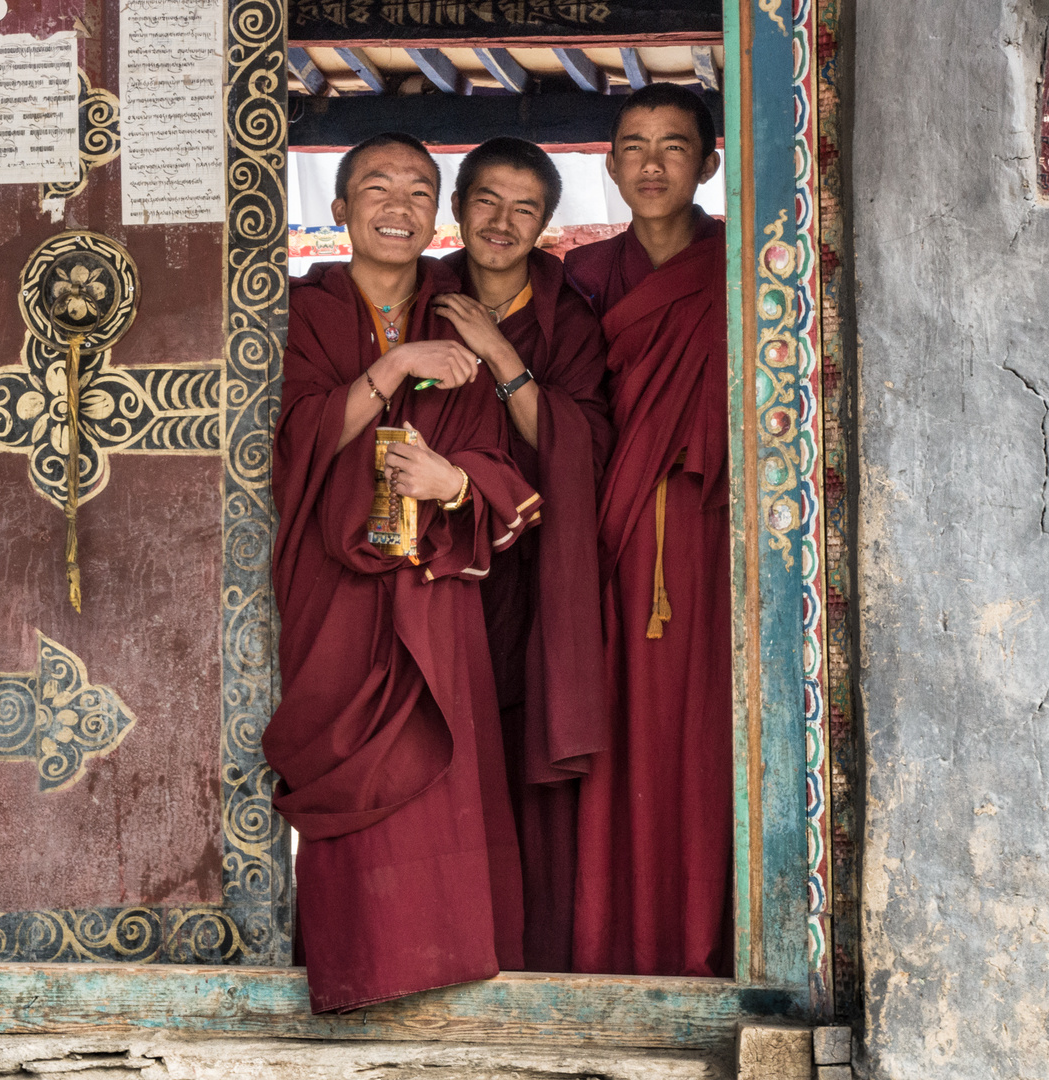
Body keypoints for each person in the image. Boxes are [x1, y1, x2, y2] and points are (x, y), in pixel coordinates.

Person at [265, 132, 544, 1012]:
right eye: (376, 188)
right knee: (349, 765)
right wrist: (394, 366)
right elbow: (290, 442)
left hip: (432, 582)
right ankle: (356, 965)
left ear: (439, 214)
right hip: (334, 586)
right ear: (339, 209)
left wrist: (455, 481)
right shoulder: (299, 312)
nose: (398, 205)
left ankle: (452, 965)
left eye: (419, 190)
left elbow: (502, 457)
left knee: (442, 771)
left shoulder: (462, 316)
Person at [563, 83, 733, 977]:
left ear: (709, 161)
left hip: (713, 548)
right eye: (634, 145)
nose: (653, 163)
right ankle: (612, 946)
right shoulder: (584, 280)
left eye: (675, 145)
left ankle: (713, 938)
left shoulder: (744, 269)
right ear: (611, 164)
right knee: (616, 739)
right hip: (611, 545)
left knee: (703, 743)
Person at [433, 137, 612, 972]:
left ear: (546, 222)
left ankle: (525, 951)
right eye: (487, 201)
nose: (501, 223)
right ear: (459, 205)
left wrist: (501, 355)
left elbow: (576, 445)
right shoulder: (419, 295)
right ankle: (441, 939)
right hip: (432, 563)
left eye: (524, 208)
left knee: (515, 743)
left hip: (533, 568)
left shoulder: (565, 317)